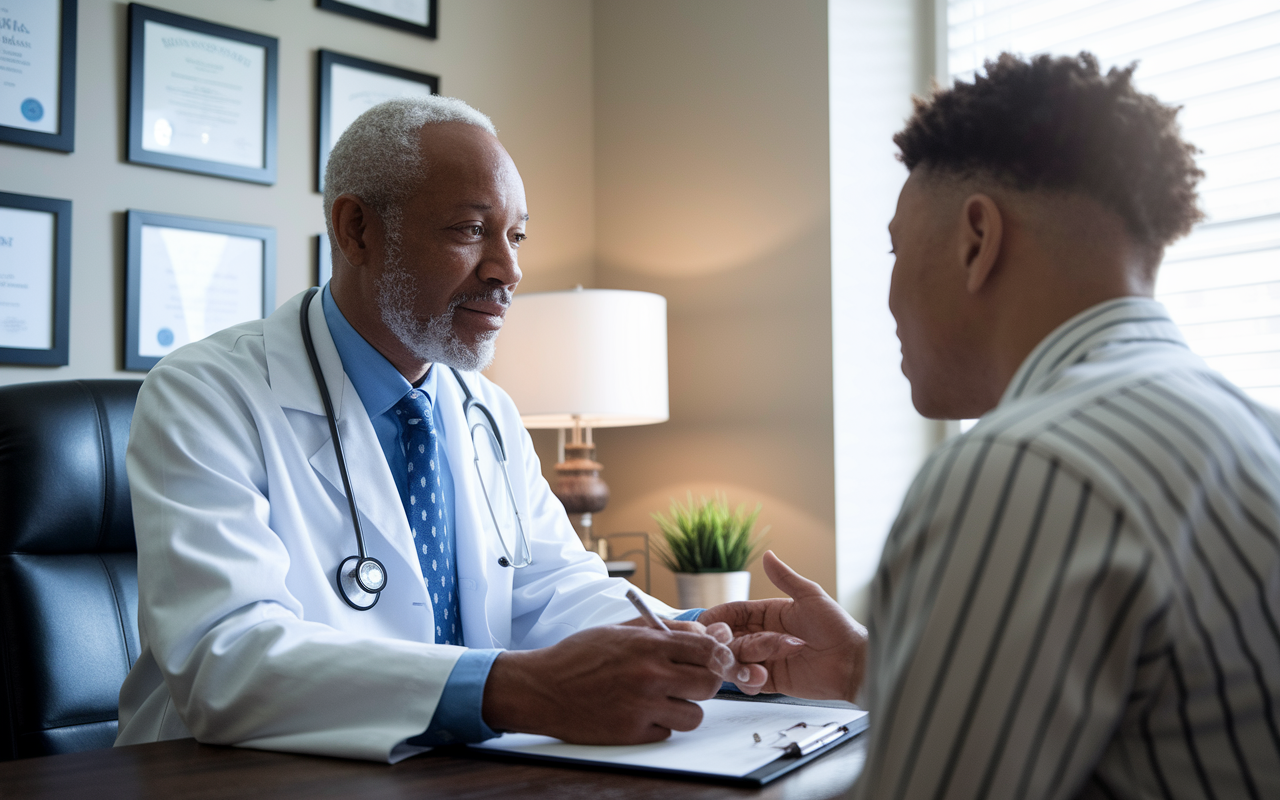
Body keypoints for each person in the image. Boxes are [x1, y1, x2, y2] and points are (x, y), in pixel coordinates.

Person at [115, 96, 792, 762]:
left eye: (516, 236)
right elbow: (226, 661)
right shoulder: (205, 394)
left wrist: (704, 639)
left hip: (451, 774)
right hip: (233, 778)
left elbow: (553, 590)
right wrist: (513, 690)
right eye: (471, 230)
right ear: (357, 231)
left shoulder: (485, 409)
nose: (509, 270)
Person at [704, 53, 1280, 799]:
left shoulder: (1028, 466)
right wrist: (862, 670)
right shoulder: (1249, 428)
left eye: (894, 248)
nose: (886, 299)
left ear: (977, 239)